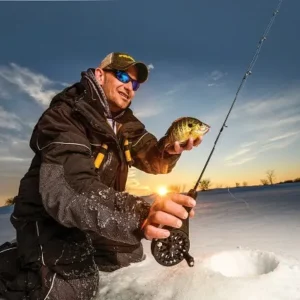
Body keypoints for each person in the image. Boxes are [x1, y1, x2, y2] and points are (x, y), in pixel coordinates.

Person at [0, 52, 201, 300]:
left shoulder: (126, 125)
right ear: (98, 74)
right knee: (74, 287)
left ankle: (66, 256)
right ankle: (15, 265)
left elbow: (154, 159)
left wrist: (168, 149)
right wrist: (140, 213)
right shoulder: (65, 116)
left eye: (135, 84)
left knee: (127, 253)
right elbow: (69, 190)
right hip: (47, 219)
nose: (129, 87)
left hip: (88, 217)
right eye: (122, 76)